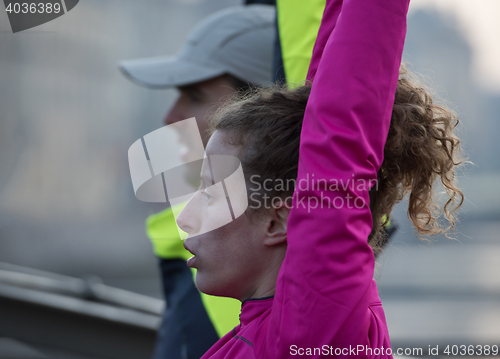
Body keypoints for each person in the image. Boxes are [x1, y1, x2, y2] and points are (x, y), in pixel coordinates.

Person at [176, 0, 464, 357]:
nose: (184, 218)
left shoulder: (309, 333)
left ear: (278, 221)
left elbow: (339, 133)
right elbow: (323, 101)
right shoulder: (271, 331)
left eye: (210, 195)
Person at [119, 5, 276, 359]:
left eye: (194, 96)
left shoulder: (243, 267)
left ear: (263, 117)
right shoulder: (214, 251)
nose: (170, 115)